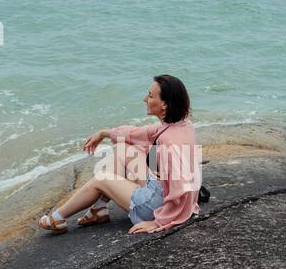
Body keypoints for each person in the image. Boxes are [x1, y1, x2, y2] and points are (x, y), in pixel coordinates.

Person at [38, 75, 200, 236]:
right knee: (124, 147)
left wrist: (158, 222)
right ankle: (99, 209)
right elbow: (136, 133)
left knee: (101, 178)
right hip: (157, 184)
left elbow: (183, 188)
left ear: (164, 104)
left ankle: (57, 219)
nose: (145, 99)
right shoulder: (179, 123)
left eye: (150, 96)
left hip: (153, 206)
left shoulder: (171, 141)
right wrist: (103, 133)